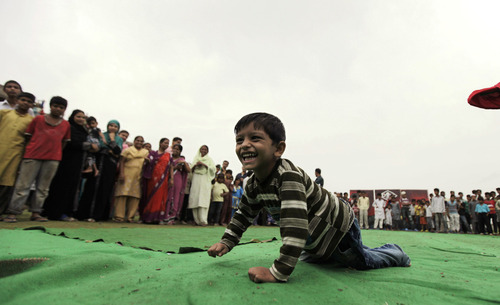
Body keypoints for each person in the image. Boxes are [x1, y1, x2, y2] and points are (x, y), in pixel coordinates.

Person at [208, 113, 410, 283]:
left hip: (338, 228)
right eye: (239, 140)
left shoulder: (288, 176)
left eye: (255, 138)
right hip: (315, 234)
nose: (245, 145)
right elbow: (243, 214)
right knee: (319, 257)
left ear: (278, 149)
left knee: (362, 261)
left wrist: (277, 273)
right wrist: (227, 241)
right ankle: (323, 252)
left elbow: (295, 226)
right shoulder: (252, 184)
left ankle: (395, 252)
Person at [4, 97, 71, 223]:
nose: (58, 109)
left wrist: (55, 152)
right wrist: (30, 151)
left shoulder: (65, 124)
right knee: (23, 185)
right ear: (50, 106)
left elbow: (64, 142)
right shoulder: (38, 119)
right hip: (32, 156)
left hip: (53, 159)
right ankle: (13, 212)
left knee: (43, 188)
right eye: (55, 106)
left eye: (61, 108)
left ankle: (36, 212)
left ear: (64, 110)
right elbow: (28, 137)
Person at [43, 110, 98, 221]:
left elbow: (95, 147)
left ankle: (66, 212)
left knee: (72, 188)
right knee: (61, 187)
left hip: (78, 163)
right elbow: (72, 143)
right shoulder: (68, 127)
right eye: (78, 117)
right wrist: (90, 145)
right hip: (66, 161)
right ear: (72, 117)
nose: (81, 119)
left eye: (83, 117)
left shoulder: (84, 131)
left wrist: (91, 146)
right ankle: (56, 213)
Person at [77, 120, 123, 222]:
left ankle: (98, 215)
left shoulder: (119, 139)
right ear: (107, 126)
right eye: (111, 125)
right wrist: (109, 148)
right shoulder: (100, 135)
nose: (113, 128)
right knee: (92, 187)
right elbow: (96, 147)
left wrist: (111, 140)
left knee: (104, 189)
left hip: (109, 166)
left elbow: (117, 152)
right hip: (97, 163)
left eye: (115, 126)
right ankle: (84, 214)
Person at [0, 92, 35, 218]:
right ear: (18, 100)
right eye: (23, 100)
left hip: (15, 153)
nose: (25, 103)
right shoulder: (4, 113)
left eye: (29, 101)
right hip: (1, 148)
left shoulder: (31, 121)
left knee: (7, 184)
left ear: (32, 105)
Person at [113, 136, 149, 222]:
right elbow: (122, 161)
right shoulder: (128, 150)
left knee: (135, 197)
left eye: (141, 141)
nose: (139, 142)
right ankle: (119, 216)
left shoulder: (146, 152)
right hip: (126, 174)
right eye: (137, 140)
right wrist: (121, 173)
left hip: (138, 176)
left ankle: (130, 217)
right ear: (134, 141)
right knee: (122, 195)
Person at [140, 138, 172, 224]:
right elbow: (148, 162)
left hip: (163, 180)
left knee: (160, 198)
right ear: (160, 143)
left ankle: (157, 218)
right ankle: (147, 217)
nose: (166, 145)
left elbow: (170, 167)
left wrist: (171, 178)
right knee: (150, 196)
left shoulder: (168, 155)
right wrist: (147, 161)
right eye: (165, 143)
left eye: (167, 143)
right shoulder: (153, 153)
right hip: (152, 178)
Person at [188, 145, 216, 226]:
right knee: (195, 198)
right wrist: (196, 165)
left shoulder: (209, 159)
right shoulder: (195, 158)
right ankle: (196, 220)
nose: (203, 150)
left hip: (205, 179)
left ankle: (203, 220)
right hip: (196, 178)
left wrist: (204, 165)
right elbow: (191, 169)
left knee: (203, 199)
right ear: (199, 150)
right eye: (202, 149)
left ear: (208, 151)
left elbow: (213, 169)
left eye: (205, 149)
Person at [164, 144, 190, 224]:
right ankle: (165, 216)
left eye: (177, 149)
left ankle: (172, 217)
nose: (175, 150)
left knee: (175, 198)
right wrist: (175, 168)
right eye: (174, 148)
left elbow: (188, 170)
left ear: (180, 151)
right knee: (167, 197)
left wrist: (184, 163)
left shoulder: (181, 159)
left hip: (178, 179)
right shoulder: (168, 158)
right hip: (167, 180)